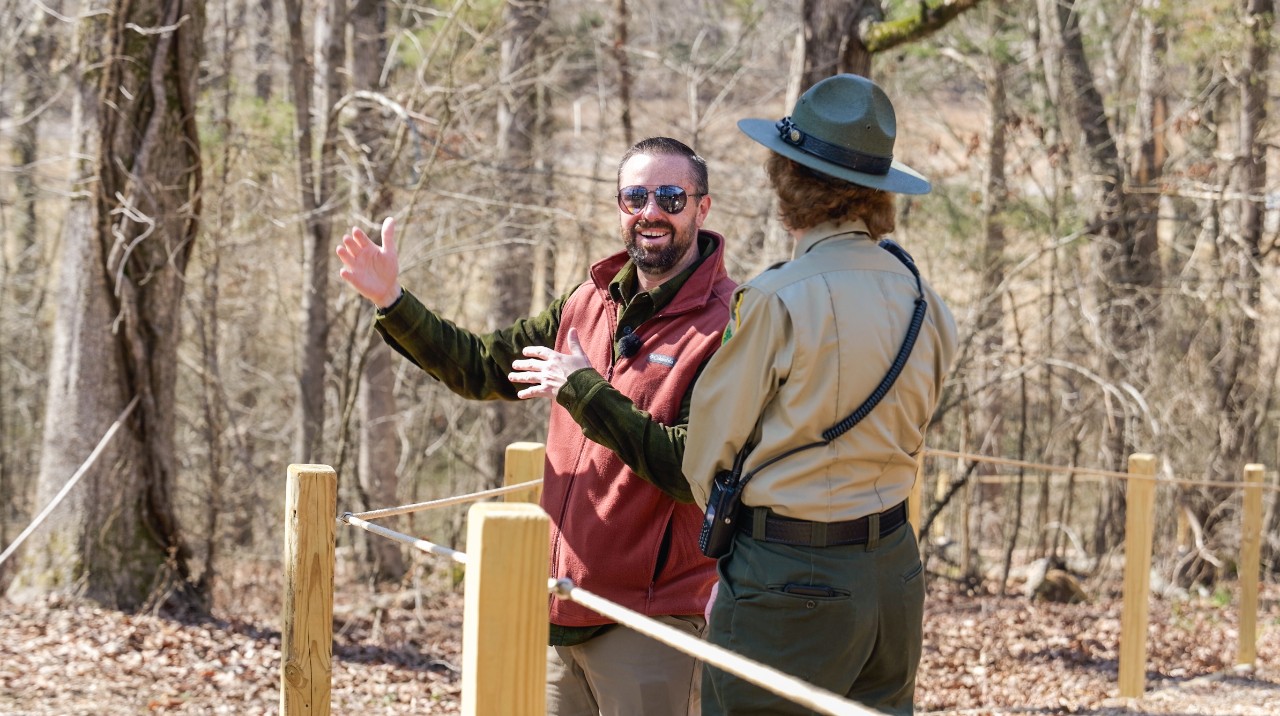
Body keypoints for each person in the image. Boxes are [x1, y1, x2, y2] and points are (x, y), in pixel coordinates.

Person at [336, 136, 736, 716]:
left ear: (702, 208)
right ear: (620, 207)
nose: (651, 212)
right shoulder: (587, 302)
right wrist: (394, 301)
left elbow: (692, 469)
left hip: (650, 624)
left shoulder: (727, 325)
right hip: (556, 611)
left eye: (671, 197)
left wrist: (583, 391)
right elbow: (479, 367)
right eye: (635, 197)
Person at [682, 74, 958, 716]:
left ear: (789, 185)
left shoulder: (779, 298)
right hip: (894, 572)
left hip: (788, 576)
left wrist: (741, 564)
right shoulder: (924, 298)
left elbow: (708, 454)